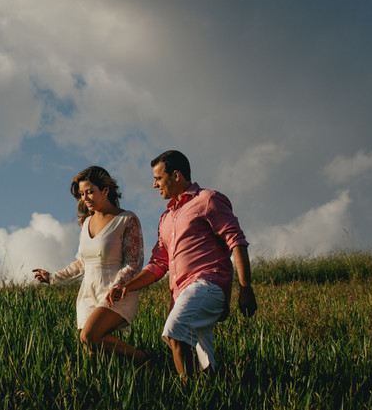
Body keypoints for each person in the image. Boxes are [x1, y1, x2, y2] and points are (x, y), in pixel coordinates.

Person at [106, 150, 256, 379]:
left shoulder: (208, 200)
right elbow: (158, 264)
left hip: (207, 284)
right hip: (181, 292)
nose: (154, 185)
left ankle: (186, 395)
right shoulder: (166, 218)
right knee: (203, 360)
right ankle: (207, 393)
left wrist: (245, 288)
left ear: (176, 175)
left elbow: (236, 242)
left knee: (175, 334)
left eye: (158, 178)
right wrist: (128, 286)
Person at [33, 166, 148, 364]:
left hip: (116, 292)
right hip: (88, 292)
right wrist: (53, 277)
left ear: (105, 189)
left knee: (89, 335)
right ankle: (107, 386)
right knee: (94, 353)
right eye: (81, 194)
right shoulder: (86, 223)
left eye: (90, 192)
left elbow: (133, 262)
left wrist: (117, 285)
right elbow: (82, 263)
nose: (85, 198)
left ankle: (144, 359)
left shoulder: (126, 219)